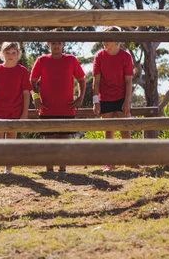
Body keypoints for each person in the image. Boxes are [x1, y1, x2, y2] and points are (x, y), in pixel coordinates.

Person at [30, 29, 86, 173]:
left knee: (64, 139)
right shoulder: (41, 60)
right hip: (47, 108)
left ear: (63, 44)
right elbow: (32, 81)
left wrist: (80, 97)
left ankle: (62, 169)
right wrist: (36, 99)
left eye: (59, 43)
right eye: (53, 42)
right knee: (49, 140)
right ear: (48, 44)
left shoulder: (71, 60)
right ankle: (49, 170)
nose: (56, 45)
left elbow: (81, 80)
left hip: (67, 108)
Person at [92, 26, 134, 172]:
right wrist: (96, 101)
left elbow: (129, 81)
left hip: (122, 97)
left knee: (125, 129)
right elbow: (96, 82)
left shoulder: (126, 57)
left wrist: (127, 101)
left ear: (116, 40)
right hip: (105, 98)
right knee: (108, 131)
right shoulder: (99, 57)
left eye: (108, 38)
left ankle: (129, 160)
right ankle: (110, 163)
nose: (104, 42)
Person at [0, 42, 32, 175]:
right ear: (2, 54)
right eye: (7, 52)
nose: (10, 55)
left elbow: (26, 93)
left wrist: (24, 114)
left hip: (16, 112)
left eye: (13, 52)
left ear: (18, 54)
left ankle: (8, 169)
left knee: (11, 141)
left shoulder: (22, 71)